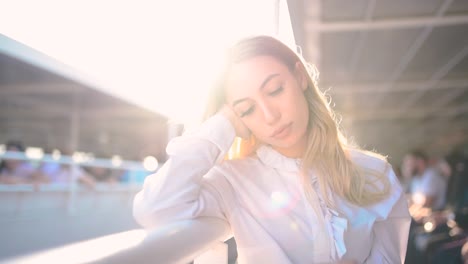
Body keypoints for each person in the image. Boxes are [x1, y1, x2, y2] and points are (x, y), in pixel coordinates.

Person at [133, 35, 410, 263]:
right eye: (247, 109)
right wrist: (223, 124)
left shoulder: (375, 172)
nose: (269, 115)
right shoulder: (232, 181)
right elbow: (155, 210)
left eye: (276, 90)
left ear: (300, 77)